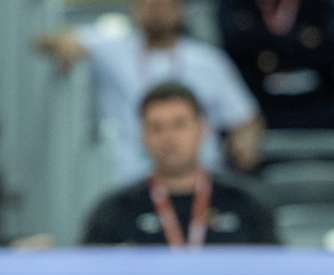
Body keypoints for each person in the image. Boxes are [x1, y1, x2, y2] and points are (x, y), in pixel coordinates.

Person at [37, 0, 266, 181]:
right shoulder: (111, 48)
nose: (156, 10)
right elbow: (48, 41)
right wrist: (64, 46)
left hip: (199, 180)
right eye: (147, 3)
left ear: (180, 10)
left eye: (164, 4)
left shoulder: (208, 61)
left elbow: (245, 118)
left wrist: (245, 145)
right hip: (129, 179)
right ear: (134, 9)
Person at [83, 82, 280, 244]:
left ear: (202, 129)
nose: (169, 138)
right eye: (157, 128)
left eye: (179, 125)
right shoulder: (115, 211)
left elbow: (275, 271)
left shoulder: (246, 203)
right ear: (143, 137)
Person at [219, 0, 334, 129]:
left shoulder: (318, 6)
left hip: (319, 107)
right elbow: (236, 46)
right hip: (259, 108)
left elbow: (326, 49)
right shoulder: (235, 6)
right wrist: (298, 41)